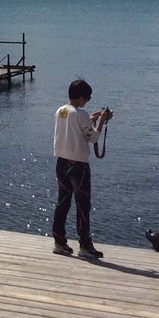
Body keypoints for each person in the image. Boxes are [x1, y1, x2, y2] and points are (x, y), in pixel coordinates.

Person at [52, 77, 113, 260]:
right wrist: (101, 120)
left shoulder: (61, 111)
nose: (88, 101)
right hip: (78, 165)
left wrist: (91, 118)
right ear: (80, 97)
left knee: (63, 202)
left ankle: (59, 241)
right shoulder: (81, 114)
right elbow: (92, 138)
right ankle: (85, 245)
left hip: (61, 162)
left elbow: (74, 127)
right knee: (83, 205)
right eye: (87, 98)